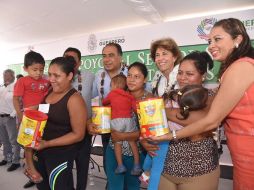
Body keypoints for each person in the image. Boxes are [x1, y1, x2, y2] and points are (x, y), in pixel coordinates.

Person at [153, 18, 254, 190]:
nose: (211, 45)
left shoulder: (242, 67)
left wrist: (169, 135)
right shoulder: (234, 69)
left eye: (218, 39)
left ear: (238, 39)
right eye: (209, 41)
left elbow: (211, 121)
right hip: (243, 156)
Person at [142, 51, 220, 190]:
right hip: (165, 171)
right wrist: (145, 140)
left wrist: (164, 111)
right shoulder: (169, 95)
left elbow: (204, 121)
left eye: (189, 74)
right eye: (180, 72)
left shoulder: (211, 96)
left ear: (203, 76)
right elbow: (150, 122)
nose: (182, 78)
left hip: (199, 172)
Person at [34, 56, 87, 190]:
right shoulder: (49, 92)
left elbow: (78, 134)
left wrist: (48, 144)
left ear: (70, 76)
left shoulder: (75, 99)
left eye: (57, 76)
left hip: (59, 156)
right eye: (50, 74)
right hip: (40, 152)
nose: (51, 79)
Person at [99, 62, 153, 190]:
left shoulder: (149, 99)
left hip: (136, 154)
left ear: (145, 79)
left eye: (137, 76)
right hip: (114, 150)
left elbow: (151, 132)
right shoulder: (118, 93)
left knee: (133, 186)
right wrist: (95, 124)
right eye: (129, 75)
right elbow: (105, 117)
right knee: (114, 187)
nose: (131, 80)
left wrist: (125, 135)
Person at [139, 37, 183, 189]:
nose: (160, 58)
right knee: (151, 161)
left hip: (181, 138)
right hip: (161, 133)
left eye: (164, 53)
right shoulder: (158, 78)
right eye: (157, 55)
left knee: (157, 170)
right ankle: (147, 173)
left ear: (175, 56)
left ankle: (149, 177)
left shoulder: (182, 77)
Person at [90, 42, 128, 176]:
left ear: (120, 57)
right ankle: (112, 183)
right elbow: (93, 97)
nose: (107, 59)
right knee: (109, 161)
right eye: (104, 56)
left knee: (128, 158)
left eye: (111, 55)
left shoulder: (130, 73)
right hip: (106, 126)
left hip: (128, 126)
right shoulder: (99, 74)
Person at [13, 51, 50, 183]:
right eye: (34, 70)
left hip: (43, 117)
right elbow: (16, 99)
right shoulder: (22, 81)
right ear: (25, 68)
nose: (38, 73)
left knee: (39, 143)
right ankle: (30, 168)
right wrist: (20, 115)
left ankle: (36, 167)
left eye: (41, 69)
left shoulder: (46, 82)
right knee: (29, 144)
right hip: (29, 118)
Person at [63, 47, 95, 190]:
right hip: (64, 130)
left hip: (84, 130)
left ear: (79, 62)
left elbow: (98, 99)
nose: (68, 61)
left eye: (72, 59)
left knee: (82, 166)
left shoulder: (89, 76)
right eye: (66, 58)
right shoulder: (58, 78)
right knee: (66, 167)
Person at [102, 74, 142, 175]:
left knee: (117, 143)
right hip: (129, 120)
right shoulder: (129, 96)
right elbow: (136, 109)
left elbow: (104, 102)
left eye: (110, 85)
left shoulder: (112, 93)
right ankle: (137, 165)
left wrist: (109, 103)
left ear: (114, 85)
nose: (110, 88)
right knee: (132, 142)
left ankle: (120, 165)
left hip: (117, 122)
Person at [0, 69, 21, 172]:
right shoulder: (1, 87)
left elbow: (20, 102)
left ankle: (16, 161)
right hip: (1, 117)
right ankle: (7, 158)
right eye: (4, 75)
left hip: (10, 117)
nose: (6, 77)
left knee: (14, 141)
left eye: (8, 75)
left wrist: (13, 114)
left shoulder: (16, 87)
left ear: (13, 76)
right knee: (5, 140)